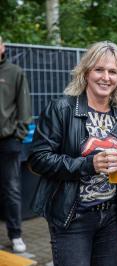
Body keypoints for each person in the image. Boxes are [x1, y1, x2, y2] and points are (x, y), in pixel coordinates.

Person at [29, 41, 117, 266]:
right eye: (99, 69)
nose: (105, 77)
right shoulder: (62, 109)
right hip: (73, 216)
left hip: (111, 219)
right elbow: (38, 158)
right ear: (86, 72)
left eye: (112, 72)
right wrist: (88, 165)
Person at [0, 35, 31, 253]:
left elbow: (24, 108)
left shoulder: (14, 72)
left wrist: (18, 136)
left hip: (7, 141)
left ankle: (16, 235)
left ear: (2, 47)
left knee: (10, 189)